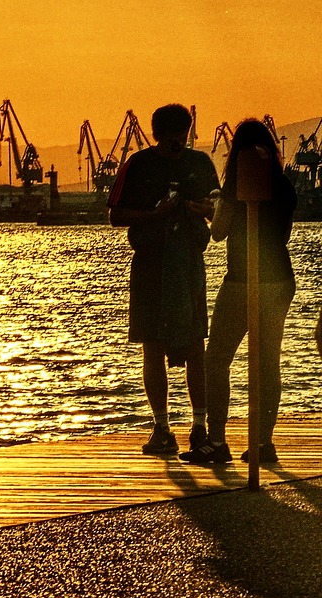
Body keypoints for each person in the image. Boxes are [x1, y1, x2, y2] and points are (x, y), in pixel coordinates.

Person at [182, 119, 297, 464]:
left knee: (216, 359)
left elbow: (218, 232)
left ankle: (216, 441)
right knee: (268, 362)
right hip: (280, 279)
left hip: (242, 281)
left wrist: (211, 210)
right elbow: (282, 232)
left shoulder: (236, 184)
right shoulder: (285, 186)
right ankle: (263, 442)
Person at [108, 104, 220, 455]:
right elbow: (116, 216)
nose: (177, 143)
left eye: (180, 138)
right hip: (158, 263)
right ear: (161, 134)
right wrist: (155, 214)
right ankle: (175, 427)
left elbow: (217, 210)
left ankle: (183, 427)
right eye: (174, 137)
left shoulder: (193, 164)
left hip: (180, 263)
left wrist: (203, 210)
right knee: (164, 345)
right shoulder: (142, 164)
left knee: (181, 343)